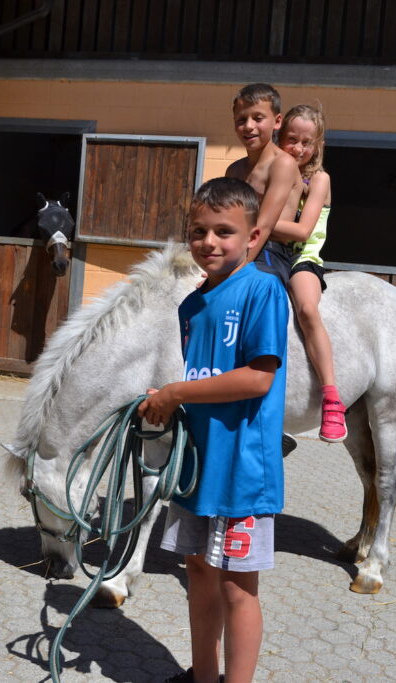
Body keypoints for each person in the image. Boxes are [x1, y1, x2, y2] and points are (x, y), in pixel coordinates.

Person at [139, 177, 288, 683]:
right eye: (198, 231)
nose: (209, 242)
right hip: (197, 466)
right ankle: (204, 675)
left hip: (242, 470)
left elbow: (258, 377)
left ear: (253, 236)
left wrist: (175, 392)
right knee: (199, 573)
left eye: (224, 231)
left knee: (237, 588)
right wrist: (161, 402)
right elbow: (202, 379)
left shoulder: (263, 289)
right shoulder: (191, 304)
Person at [273, 104, 347, 442]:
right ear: (280, 136)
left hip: (303, 257)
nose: (299, 149)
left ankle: (331, 397)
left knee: (306, 307)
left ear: (317, 145)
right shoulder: (275, 171)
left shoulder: (319, 179)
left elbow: (303, 231)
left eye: (307, 142)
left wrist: (253, 225)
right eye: (292, 140)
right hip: (272, 253)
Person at [224, 83, 303, 289]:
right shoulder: (234, 170)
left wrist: (236, 268)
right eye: (241, 120)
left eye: (258, 118)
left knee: (260, 284)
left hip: (270, 249)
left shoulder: (282, 164)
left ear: (277, 121)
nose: (249, 126)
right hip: (236, 244)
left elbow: (265, 225)